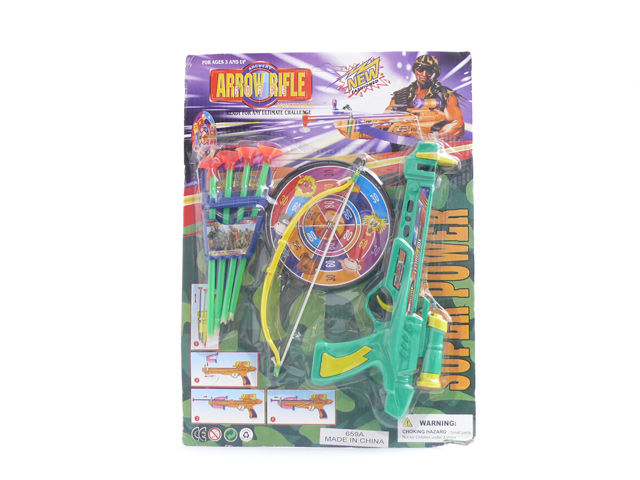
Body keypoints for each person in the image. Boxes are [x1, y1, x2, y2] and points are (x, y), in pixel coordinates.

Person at [386, 55, 464, 140]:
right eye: (420, 69)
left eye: (429, 71)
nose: (424, 74)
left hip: (431, 146)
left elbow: (458, 125)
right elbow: (385, 119)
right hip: (403, 145)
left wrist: (431, 138)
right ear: (415, 70)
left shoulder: (444, 95)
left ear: (436, 73)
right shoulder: (401, 95)